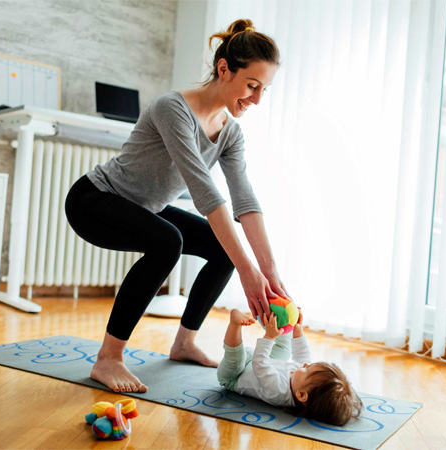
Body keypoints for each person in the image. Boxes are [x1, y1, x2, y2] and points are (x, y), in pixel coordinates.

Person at [65, 19, 288, 394]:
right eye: (252, 86)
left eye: (264, 89)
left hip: (145, 208)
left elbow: (244, 200)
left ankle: (184, 342)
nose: (257, 99)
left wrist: (269, 271)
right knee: (168, 241)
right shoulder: (173, 108)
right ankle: (108, 358)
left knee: (220, 250)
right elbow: (205, 192)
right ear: (223, 70)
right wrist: (248, 271)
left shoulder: (230, 132)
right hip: (94, 200)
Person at [217, 309, 363, 426]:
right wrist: (297, 329)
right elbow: (303, 355)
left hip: (235, 376)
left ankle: (235, 324)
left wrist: (269, 337)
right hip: (263, 362)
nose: (305, 365)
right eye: (310, 366)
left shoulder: (278, 391)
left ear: (301, 395)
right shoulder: (302, 382)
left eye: (307, 369)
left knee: (235, 358)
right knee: (284, 349)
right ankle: (280, 318)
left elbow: (259, 364)